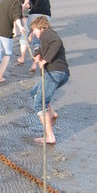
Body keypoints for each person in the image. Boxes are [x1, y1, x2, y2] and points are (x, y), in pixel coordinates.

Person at [29, 16, 70, 145]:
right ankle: (51, 114)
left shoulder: (47, 33)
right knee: (34, 92)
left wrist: (45, 60)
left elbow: (57, 42)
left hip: (55, 72)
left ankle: (50, 137)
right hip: (60, 74)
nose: (34, 33)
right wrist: (38, 56)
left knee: (39, 103)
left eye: (34, 30)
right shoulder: (43, 38)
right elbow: (40, 49)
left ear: (40, 27)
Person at [17, 0, 52, 68]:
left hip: (36, 15)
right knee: (39, 38)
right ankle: (35, 63)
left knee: (25, 34)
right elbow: (32, 4)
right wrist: (27, 6)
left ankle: (22, 58)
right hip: (47, 16)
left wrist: (23, 5)